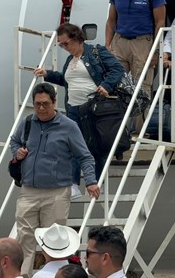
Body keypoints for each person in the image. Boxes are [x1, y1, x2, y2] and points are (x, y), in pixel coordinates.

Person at [10, 82, 100, 276]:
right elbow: (14, 141)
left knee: (54, 241)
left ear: (54, 102)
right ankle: (23, 275)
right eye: (37, 104)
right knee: (24, 237)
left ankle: (53, 275)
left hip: (57, 193)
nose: (41, 109)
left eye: (45, 104)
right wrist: (16, 153)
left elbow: (84, 155)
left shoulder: (68, 126)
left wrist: (91, 181)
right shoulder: (27, 122)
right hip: (28, 191)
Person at [35, 23, 124, 198]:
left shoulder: (95, 52)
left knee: (94, 145)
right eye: (61, 45)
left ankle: (97, 182)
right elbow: (66, 80)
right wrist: (47, 74)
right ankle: (74, 183)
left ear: (77, 38)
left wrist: (106, 86)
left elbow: (117, 69)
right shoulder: (70, 60)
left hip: (92, 107)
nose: (64, 48)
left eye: (66, 44)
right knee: (72, 145)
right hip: (73, 108)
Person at [105, 0, 166, 130]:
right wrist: (108, 45)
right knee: (117, 84)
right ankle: (119, 131)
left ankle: (140, 131)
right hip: (120, 41)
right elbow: (111, 20)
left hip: (142, 42)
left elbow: (160, 22)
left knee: (142, 88)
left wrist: (156, 51)